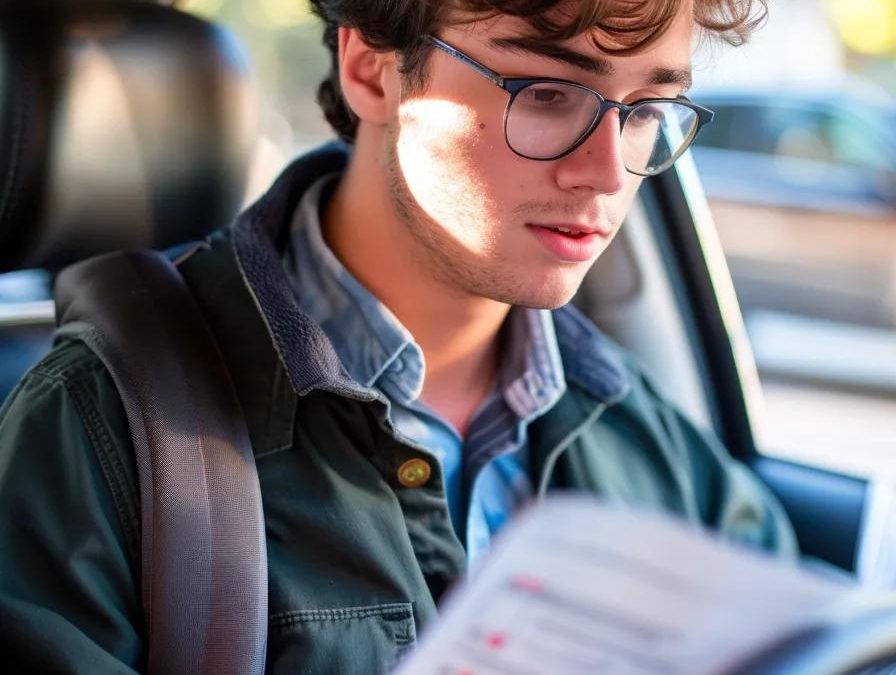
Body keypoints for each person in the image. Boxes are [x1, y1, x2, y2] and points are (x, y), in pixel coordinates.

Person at [0, 0, 795, 673]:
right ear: (372, 70)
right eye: (549, 94)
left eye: (647, 110)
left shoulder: (634, 424)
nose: (609, 171)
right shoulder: (97, 428)